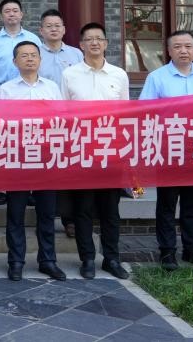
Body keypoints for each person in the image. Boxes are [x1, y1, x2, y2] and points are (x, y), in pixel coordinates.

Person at [140, 29, 193, 271]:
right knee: (167, 203)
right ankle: (167, 251)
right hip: (169, 150)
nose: (183, 51)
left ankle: (191, 249)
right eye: (177, 46)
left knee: (192, 205)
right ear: (168, 50)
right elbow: (144, 113)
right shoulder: (156, 78)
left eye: (188, 46)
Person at [62, 22, 131, 280]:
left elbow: (126, 114)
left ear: (105, 44)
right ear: (81, 45)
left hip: (111, 152)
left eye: (99, 39)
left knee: (111, 210)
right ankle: (87, 258)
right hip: (81, 151)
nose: (94, 43)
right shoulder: (69, 75)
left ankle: (111, 258)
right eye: (89, 39)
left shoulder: (119, 75)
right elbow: (63, 114)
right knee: (83, 208)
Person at [0, 41, 65, 281]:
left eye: (33, 55)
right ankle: (16, 261)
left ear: (40, 60)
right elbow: (0, 124)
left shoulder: (52, 88)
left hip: (46, 157)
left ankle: (48, 260)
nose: (29, 59)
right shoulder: (6, 90)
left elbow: (61, 121)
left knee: (47, 213)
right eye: (24, 55)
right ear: (15, 62)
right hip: (18, 158)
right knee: (15, 214)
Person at [36, 9, 84, 234]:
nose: (53, 29)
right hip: (42, 120)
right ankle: (43, 219)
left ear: (64, 29)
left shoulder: (76, 54)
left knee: (67, 170)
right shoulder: (34, 53)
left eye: (57, 25)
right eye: (49, 26)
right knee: (44, 170)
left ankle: (69, 219)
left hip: (70, 121)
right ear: (41, 30)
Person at [0, 0, 42, 85]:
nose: (11, 14)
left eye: (15, 11)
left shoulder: (33, 38)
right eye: (7, 11)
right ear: (1, 16)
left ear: (21, 15)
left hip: (29, 88)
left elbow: (40, 64)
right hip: (0, 89)